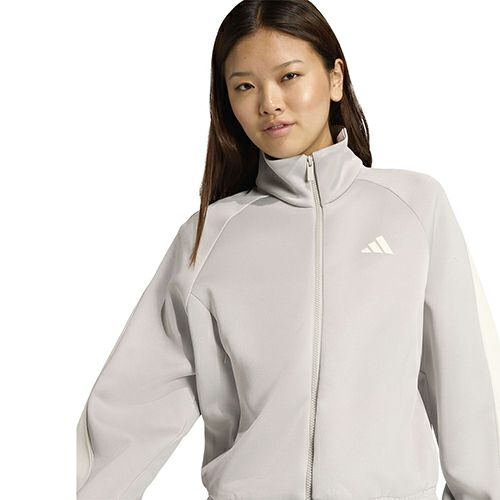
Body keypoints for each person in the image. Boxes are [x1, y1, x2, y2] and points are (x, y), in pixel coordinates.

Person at [76, 1, 500, 499]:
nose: (269, 103)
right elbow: (130, 409)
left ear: (335, 78)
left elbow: (467, 382)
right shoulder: (209, 237)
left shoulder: (414, 207)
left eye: (289, 76)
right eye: (245, 86)